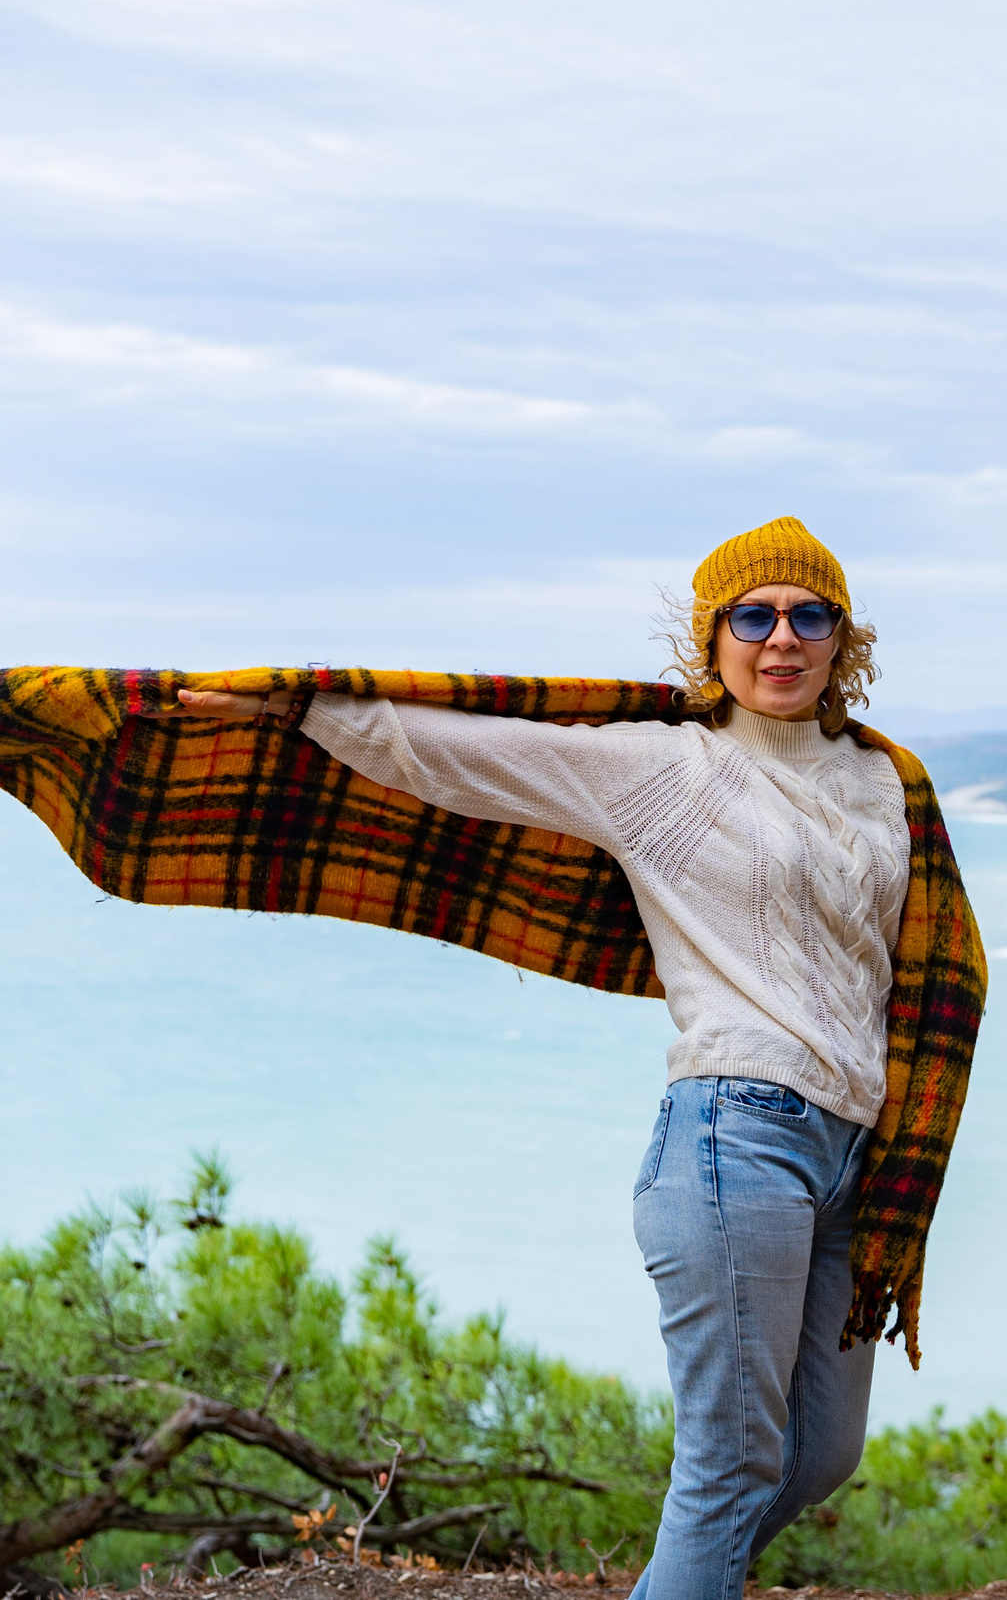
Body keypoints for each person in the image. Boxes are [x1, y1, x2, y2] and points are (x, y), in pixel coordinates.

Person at [176, 516, 909, 1600]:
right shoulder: (667, 767)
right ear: (710, 642)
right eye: (751, 617)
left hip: (857, 1154)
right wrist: (298, 701)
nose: (781, 639)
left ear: (843, 639)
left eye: (810, 616)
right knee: (730, 1469)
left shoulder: (884, 781)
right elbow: (462, 750)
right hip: (734, 1138)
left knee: (816, 1458)